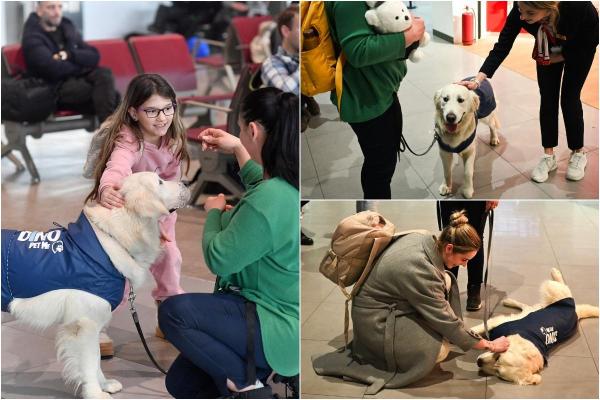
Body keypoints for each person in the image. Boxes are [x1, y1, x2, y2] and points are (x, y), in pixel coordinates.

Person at [158, 87, 299, 398]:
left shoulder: (270, 198)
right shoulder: (285, 182)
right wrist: (236, 147)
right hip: (260, 310)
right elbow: (258, 183)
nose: (238, 135)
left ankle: (250, 387)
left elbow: (220, 258)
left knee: (174, 312)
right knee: (182, 382)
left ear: (253, 130)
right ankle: (246, 381)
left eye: (239, 130)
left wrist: (213, 213)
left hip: (272, 322)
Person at [312, 211, 509, 393]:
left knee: (446, 280)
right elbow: (444, 319)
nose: (465, 266)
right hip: (375, 322)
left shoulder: (423, 237)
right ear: (449, 248)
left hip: (374, 307)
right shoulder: (421, 270)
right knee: (440, 350)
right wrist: (488, 345)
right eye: (464, 259)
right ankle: (387, 356)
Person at [84, 74, 190, 350]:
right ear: (133, 111)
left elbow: (172, 186)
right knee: (121, 273)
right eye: (152, 111)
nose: (162, 117)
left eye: (168, 108)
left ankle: (169, 318)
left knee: (170, 260)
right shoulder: (129, 138)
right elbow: (117, 166)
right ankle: (96, 326)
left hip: (158, 218)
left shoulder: (173, 140)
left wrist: (165, 226)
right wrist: (108, 187)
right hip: (126, 221)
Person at [461, 2, 598, 183]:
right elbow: (503, 44)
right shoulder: (522, 7)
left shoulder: (575, 6)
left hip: (580, 44)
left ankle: (578, 152)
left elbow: (592, 36)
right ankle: (549, 156)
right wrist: (478, 79)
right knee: (548, 98)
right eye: (520, 10)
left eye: (530, 12)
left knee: (569, 98)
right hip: (548, 43)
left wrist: (563, 53)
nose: (522, 17)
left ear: (550, 7)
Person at [324, 1, 425, 199]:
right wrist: (410, 35)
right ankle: (376, 213)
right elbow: (358, 50)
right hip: (366, 98)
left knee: (382, 161)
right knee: (379, 166)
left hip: (379, 91)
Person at [22, 1, 118, 123]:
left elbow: (94, 56)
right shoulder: (32, 37)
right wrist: (82, 65)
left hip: (74, 81)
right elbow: (53, 69)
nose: (57, 12)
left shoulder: (66, 27)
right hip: (53, 90)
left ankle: (108, 132)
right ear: (39, 10)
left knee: (104, 74)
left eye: (60, 7)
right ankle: (109, 133)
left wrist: (69, 55)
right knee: (111, 95)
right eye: (51, 7)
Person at [438, 200, 498, 311]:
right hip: (451, 197)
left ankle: (474, 288)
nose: (464, 265)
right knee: (451, 234)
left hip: (477, 199)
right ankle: (447, 286)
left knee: (475, 237)